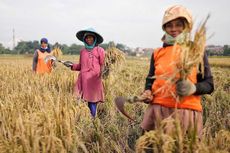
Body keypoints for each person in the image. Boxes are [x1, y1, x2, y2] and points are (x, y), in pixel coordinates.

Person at [140, 5, 214, 138]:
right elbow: (150, 78)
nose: (173, 29)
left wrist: (193, 88)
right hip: (157, 111)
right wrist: (147, 91)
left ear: (186, 26)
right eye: (169, 25)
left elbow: (209, 84)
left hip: (185, 112)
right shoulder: (158, 53)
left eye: (178, 25)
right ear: (164, 28)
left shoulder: (196, 51)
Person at [64, 28, 105, 118]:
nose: (89, 39)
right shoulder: (82, 51)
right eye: (87, 38)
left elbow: (103, 65)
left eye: (91, 38)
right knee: (81, 101)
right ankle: (84, 119)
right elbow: (81, 66)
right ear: (84, 39)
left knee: (93, 102)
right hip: (83, 80)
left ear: (94, 39)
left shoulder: (100, 50)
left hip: (94, 81)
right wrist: (71, 65)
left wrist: (102, 73)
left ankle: (93, 121)